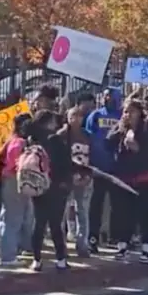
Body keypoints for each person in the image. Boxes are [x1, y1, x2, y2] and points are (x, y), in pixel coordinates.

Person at [107, 99, 148, 263]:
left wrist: (135, 144)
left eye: (131, 111)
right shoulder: (119, 128)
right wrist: (120, 130)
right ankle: (123, 246)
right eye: (125, 111)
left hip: (145, 179)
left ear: (139, 113)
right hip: (124, 179)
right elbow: (108, 143)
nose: (127, 115)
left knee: (144, 213)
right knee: (124, 214)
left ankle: (146, 247)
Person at [25, 110, 74, 271]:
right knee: (55, 225)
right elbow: (66, 163)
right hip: (56, 187)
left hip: (38, 185)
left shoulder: (32, 140)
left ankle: (37, 260)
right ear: (48, 122)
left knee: (38, 224)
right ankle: (60, 259)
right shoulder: (55, 140)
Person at [85, 87, 122, 252]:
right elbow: (87, 137)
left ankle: (115, 236)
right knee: (96, 204)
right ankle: (92, 237)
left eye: (111, 96)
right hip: (98, 167)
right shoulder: (96, 115)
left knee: (117, 204)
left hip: (117, 168)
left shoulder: (122, 116)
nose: (107, 98)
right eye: (105, 95)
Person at [0, 112, 33, 265]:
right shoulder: (19, 143)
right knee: (13, 218)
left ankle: (3, 252)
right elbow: (14, 164)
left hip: (9, 180)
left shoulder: (12, 140)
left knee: (8, 216)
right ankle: (7, 256)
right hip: (14, 180)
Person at [58, 106, 93, 257]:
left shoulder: (87, 135)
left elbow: (92, 156)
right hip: (67, 178)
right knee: (62, 212)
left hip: (84, 177)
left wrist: (87, 175)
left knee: (82, 211)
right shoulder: (62, 135)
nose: (76, 119)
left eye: (79, 116)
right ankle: (61, 244)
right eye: (73, 116)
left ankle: (82, 244)